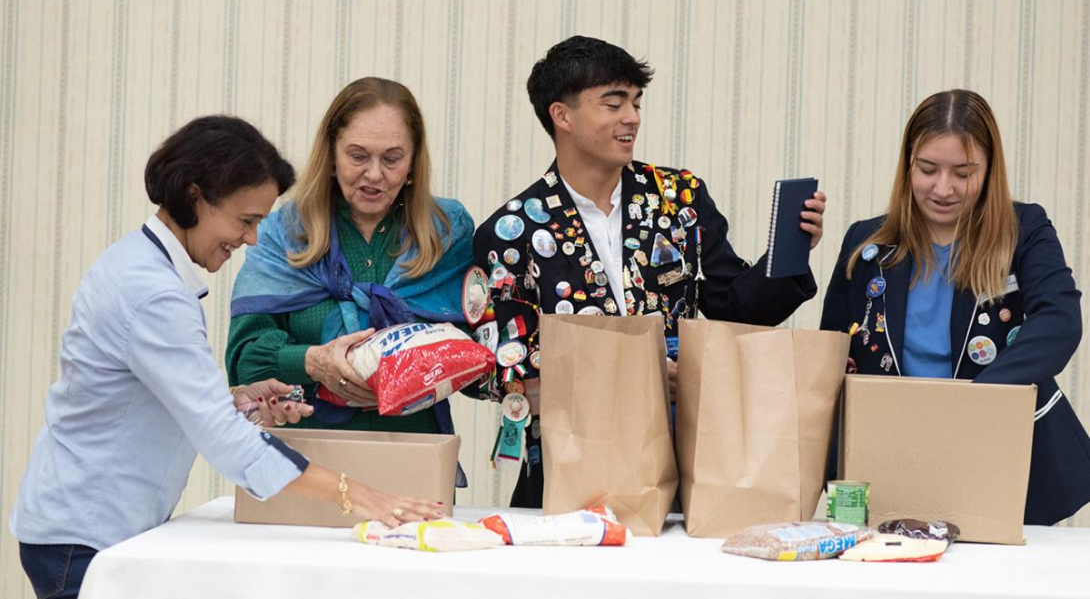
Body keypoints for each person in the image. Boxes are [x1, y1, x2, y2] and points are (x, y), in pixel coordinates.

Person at [11, 116, 443, 599]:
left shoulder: (141, 266)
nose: (252, 240)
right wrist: (361, 496)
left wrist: (239, 400)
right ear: (195, 197)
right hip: (83, 535)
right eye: (246, 221)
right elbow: (221, 440)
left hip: (84, 528)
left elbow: (152, 395)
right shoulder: (152, 293)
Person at [471, 36, 827, 507]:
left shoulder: (678, 196)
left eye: (636, 102)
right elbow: (497, 366)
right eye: (613, 103)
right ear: (563, 116)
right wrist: (635, 374)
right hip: (569, 473)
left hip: (684, 468)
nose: (632, 117)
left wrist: (788, 256)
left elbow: (731, 311)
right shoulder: (511, 230)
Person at [820, 89, 1090, 525]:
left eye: (963, 173)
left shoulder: (1025, 230)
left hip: (1001, 454)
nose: (942, 188)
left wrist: (966, 405)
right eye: (928, 169)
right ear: (908, 164)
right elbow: (830, 353)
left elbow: (1059, 323)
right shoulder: (865, 244)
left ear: (989, 169)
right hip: (892, 455)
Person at [226, 78, 473, 451]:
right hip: (307, 458)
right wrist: (311, 361)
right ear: (331, 153)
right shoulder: (285, 233)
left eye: (392, 158)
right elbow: (245, 359)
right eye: (357, 156)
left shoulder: (446, 231)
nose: (374, 174)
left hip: (414, 453)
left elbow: (481, 344)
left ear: (413, 161)